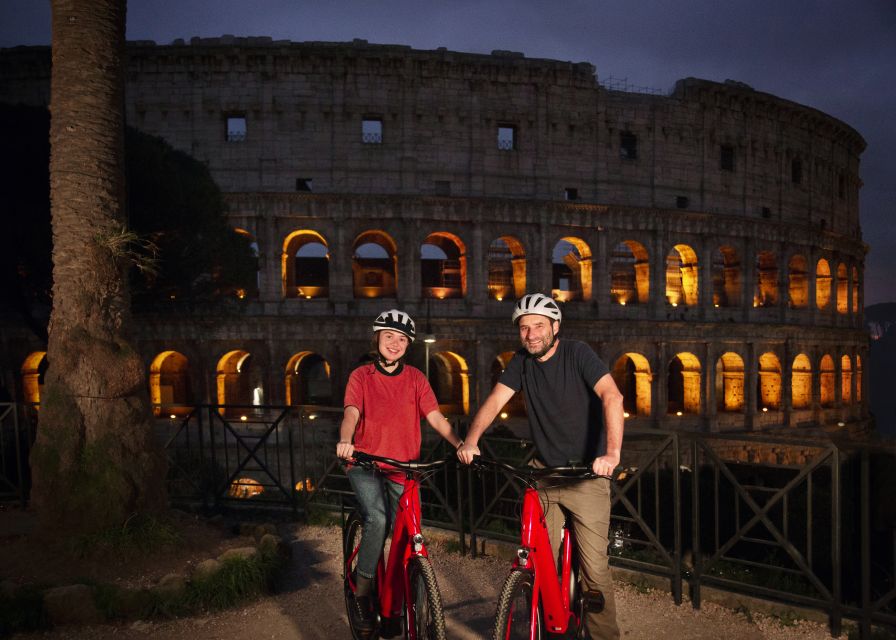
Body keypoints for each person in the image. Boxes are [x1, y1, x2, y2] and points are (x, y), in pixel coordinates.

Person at [457, 292, 624, 639]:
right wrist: (471, 441)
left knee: (595, 569)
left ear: (555, 327)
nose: (531, 334)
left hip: (587, 475)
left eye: (538, 326)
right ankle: (551, 621)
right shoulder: (521, 361)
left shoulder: (577, 353)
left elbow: (613, 395)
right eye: (524, 328)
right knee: (537, 557)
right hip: (544, 472)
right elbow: (494, 401)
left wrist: (612, 453)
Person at [336, 308, 463, 634]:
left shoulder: (416, 378)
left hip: (405, 468)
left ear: (409, 345)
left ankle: (410, 606)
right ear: (377, 338)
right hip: (365, 463)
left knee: (411, 533)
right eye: (389, 336)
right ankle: (362, 593)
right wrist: (345, 440)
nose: (395, 343)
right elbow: (352, 411)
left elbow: (435, 417)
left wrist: (459, 443)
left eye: (402, 339)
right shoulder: (361, 376)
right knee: (377, 518)